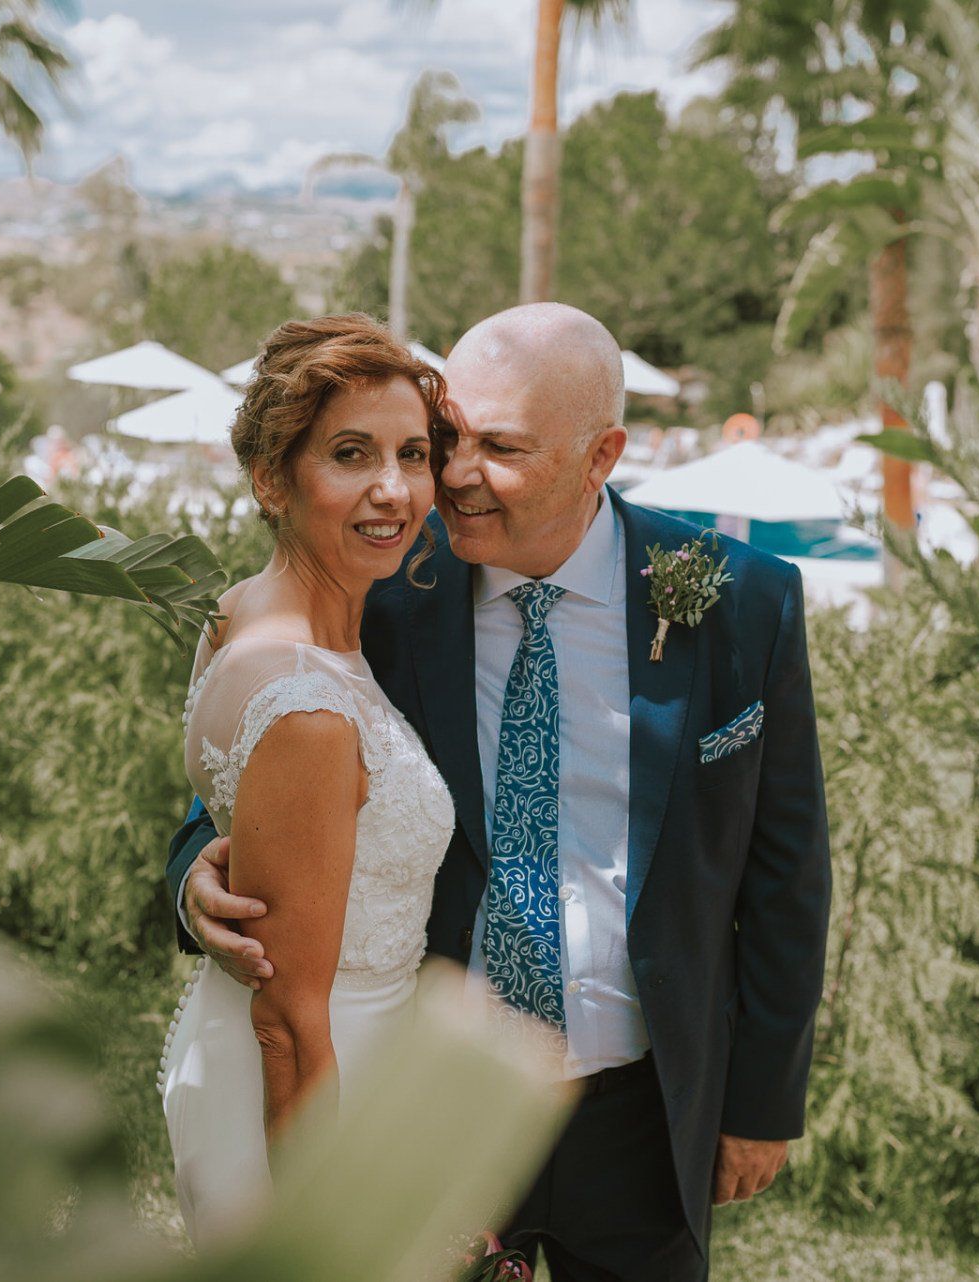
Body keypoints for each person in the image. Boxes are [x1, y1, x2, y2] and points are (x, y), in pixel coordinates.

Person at [163, 303, 832, 1280]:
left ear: (600, 456)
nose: (456, 474)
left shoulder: (742, 602)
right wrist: (194, 873)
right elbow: (259, 755)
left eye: (502, 448)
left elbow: (787, 871)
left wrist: (762, 1104)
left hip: (640, 1108)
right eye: (449, 439)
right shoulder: (381, 582)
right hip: (429, 1097)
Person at [156, 315, 456, 1244]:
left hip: (287, 1060)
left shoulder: (236, 610)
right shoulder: (310, 712)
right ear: (270, 478)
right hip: (309, 1093)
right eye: (351, 454)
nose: (393, 489)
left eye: (413, 455)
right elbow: (286, 1023)